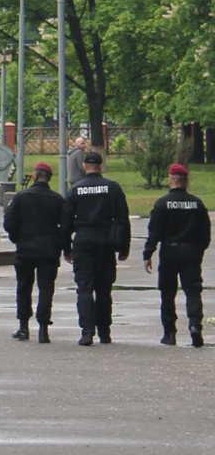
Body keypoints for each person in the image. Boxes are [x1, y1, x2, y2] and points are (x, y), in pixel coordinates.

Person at [60, 148, 131, 345]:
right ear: (100, 166)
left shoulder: (76, 189)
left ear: (84, 167)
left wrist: (66, 248)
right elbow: (123, 220)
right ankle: (105, 332)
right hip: (106, 241)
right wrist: (124, 248)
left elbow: (66, 222)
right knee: (104, 289)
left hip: (83, 241)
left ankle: (87, 331)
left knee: (84, 288)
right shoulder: (113, 188)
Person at [142, 160, 210, 347]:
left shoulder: (162, 204)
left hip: (169, 252)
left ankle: (169, 332)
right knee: (193, 291)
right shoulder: (197, 204)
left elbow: (154, 232)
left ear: (170, 180)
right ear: (185, 181)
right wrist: (198, 250)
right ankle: (195, 326)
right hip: (191, 252)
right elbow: (206, 233)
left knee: (167, 293)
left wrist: (148, 254)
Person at [2, 160, 63, 342]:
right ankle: (43, 329)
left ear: (34, 176)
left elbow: (9, 223)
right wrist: (60, 244)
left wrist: (17, 238)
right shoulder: (57, 199)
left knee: (23, 287)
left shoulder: (21, 197)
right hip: (49, 252)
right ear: (49, 179)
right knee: (46, 289)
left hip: (25, 250)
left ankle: (23, 327)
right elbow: (66, 225)